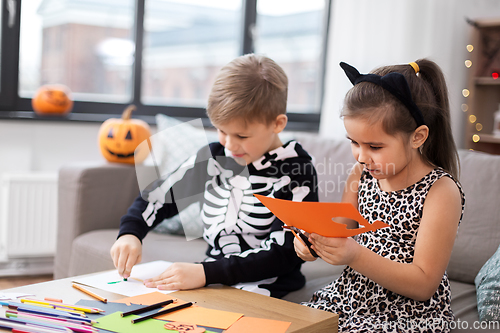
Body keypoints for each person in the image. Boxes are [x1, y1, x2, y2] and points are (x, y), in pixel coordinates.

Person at [110, 54, 319, 298]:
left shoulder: (296, 171)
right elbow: (158, 197)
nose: (230, 145)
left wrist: (205, 273)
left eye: (241, 136)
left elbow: (284, 253)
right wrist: (131, 232)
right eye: (221, 131)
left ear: (277, 124)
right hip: (212, 281)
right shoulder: (213, 156)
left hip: (267, 289)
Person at [295, 59, 465, 332]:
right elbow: (339, 230)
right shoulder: (360, 174)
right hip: (348, 299)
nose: (362, 156)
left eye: (374, 146)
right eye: (354, 142)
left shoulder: (440, 191)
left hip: (407, 315)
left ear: (418, 137)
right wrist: (312, 243)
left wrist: (354, 255)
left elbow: (423, 285)